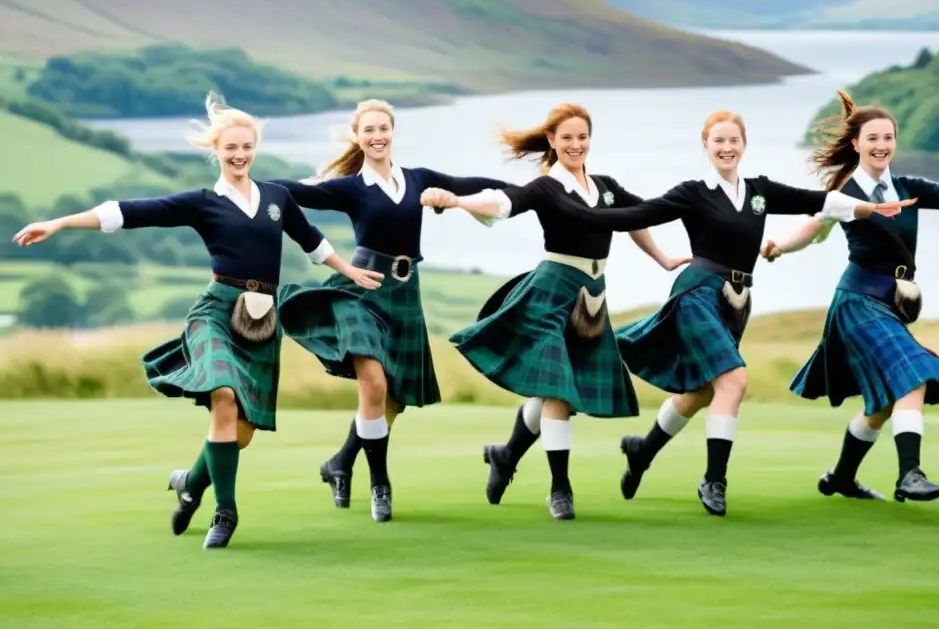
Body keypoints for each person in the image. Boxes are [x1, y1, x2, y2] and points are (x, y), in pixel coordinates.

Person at [11, 92, 383, 549]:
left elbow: (313, 244)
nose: (240, 154)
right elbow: (131, 212)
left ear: (254, 148)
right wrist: (61, 223)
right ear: (216, 151)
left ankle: (190, 481)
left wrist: (349, 270)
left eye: (246, 147)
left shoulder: (277, 198)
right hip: (216, 312)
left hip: (265, 322)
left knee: (240, 434)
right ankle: (225, 513)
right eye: (230, 148)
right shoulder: (201, 202)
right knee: (222, 396)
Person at [505, 110, 913, 517]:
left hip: (736, 302)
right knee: (734, 380)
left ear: (744, 145)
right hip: (696, 295)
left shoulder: (760, 191)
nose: (727, 148)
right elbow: (639, 214)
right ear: (706, 147)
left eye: (733, 141)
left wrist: (868, 209)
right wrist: (581, 212)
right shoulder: (692, 192)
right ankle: (714, 480)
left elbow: (820, 201)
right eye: (718, 142)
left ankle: (642, 450)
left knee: (702, 391)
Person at [420, 103, 689, 521]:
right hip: (550, 295)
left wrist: (664, 258)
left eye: (582, 137)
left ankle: (506, 455)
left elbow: (641, 216)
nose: (575, 144)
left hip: (593, 300)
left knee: (552, 393)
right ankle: (560, 489)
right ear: (552, 141)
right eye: (567, 138)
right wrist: (456, 200)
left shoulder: (606, 187)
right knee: (559, 392)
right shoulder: (546, 188)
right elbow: (502, 202)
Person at [763, 90, 939, 503]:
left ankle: (841, 478)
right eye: (873, 139)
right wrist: (778, 245)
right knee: (913, 376)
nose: (882, 146)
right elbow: (814, 228)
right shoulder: (845, 194)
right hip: (856, 302)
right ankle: (910, 474)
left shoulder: (909, 187)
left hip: (891, 307)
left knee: (882, 403)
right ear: (856, 144)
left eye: (888, 138)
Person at [269, 99, 509, 523]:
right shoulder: (349, 187)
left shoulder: (419, 180)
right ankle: (380, 484)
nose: (377, 136)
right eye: (369, 130)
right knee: (375, 383)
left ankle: (340, 463)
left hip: (405, 290)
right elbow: (293, 190)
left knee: (391, 398)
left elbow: (473, 184)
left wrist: (522, 193)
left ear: (392, 132)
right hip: (362, 285)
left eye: (383, 128)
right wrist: (241, 181)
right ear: (359, 137)